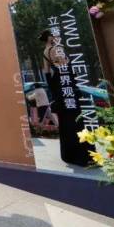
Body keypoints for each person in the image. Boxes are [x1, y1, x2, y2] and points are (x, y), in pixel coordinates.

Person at [39, 29, 91, 166]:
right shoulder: (57, 48)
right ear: (49, 37)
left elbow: (46, 72)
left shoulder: (45, 52)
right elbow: (65, 64)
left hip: (58, 85)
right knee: (75, 117)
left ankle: (69, 154)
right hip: (66, 82)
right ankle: (82, 155)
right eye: (53, 35)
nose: (55, 37)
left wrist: (53, 90)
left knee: (66, 119)